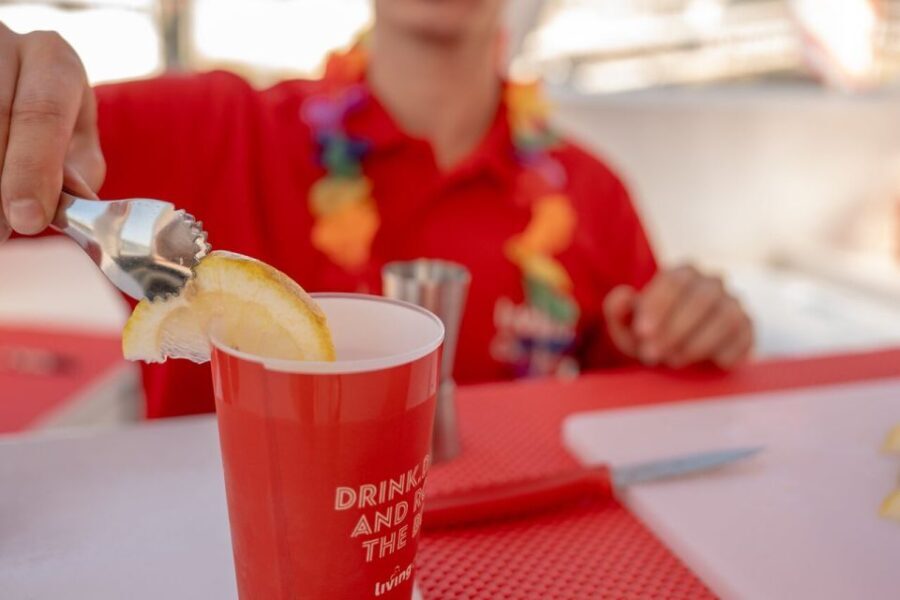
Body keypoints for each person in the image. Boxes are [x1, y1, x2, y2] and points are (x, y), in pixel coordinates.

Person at [0, 0, 753, 419]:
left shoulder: (592, 193)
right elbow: (38, 131)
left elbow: (643, 401)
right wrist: (21, 78)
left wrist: (689, 331)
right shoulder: (216, 126)